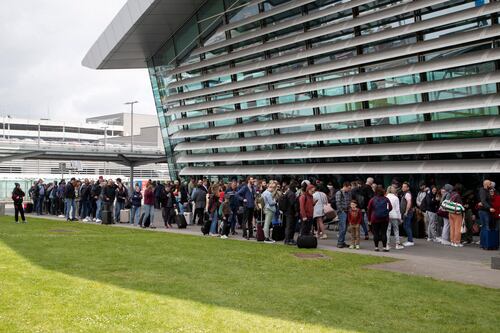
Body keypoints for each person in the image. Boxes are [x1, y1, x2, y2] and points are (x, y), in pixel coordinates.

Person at [367, 186, 392, 252]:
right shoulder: (386, 199)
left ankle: (376, 247)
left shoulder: (372, 199)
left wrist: (369, 219)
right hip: (385, 219)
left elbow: (369, 209)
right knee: (384, 233)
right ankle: (384, 247)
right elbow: (390, 207)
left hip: (375, 218)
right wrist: (385, 212)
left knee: (376, 233)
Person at [478, 180, 496, 248]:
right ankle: (485, 243)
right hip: (484, 211)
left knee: (484, 227)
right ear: (486, 184)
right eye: (490, 184)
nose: (491, 185)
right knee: (486, 226)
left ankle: (484, 243)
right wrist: (489, 208)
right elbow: (483, 201)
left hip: (486, 211)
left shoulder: (488, 190)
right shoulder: (482, 191)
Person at [335, 181, 352, 248]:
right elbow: (338, 203)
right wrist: (341, 211)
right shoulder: (339, 193)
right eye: (348, 188)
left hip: (347, 211)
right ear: (344, 186)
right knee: (343, 227)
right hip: (342, 212)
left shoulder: (349, 193)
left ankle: (342, 242)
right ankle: (340, 242)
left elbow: (349, 201)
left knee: (344, 228)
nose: (349, 189)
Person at [386, 185, 403, 250]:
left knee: (388, 230)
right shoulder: (396, 198)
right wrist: (400, 218)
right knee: (396, 230)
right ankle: (397, 244)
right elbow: (397, 209)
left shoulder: (386, 197)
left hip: (388, 215)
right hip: (395, 215)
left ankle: (387, 244)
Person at [401, 182, 415, 247]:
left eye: (404, 186)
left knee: (407, 226)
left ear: (408, 188)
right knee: (406, 226)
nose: (402, 187)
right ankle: (409, 240)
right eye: (402, 186)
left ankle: (410, 241)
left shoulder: (407, 194)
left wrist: (406, 211)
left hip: (408, 213)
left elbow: (409, 202)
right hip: (407, 212)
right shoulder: (405, 194)